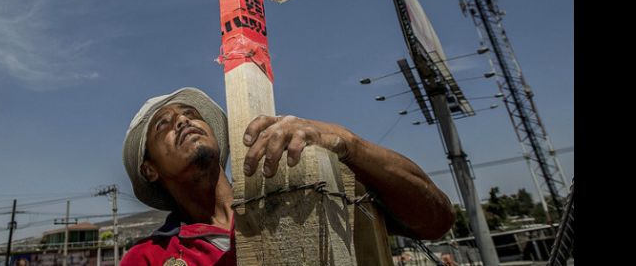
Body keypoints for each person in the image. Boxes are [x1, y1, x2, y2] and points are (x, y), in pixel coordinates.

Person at [121, 87, 455, 265]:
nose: (183, 121)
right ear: (150, 169)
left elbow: (436, 220)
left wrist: (346, 143)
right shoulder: (149, 258)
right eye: (163, 124)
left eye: (191, 114)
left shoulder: (303, 192)